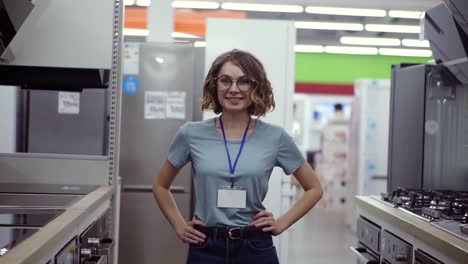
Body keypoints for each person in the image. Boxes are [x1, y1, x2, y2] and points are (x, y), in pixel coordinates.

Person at [153, 49, 323, 264]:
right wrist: (179, 226)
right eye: (225, 81)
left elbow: (314, 188)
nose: (234, 89)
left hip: (255, 246)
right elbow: (160, 185)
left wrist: (281, 223)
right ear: (214, 85)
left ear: (256, 87)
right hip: (206, 246)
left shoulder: (275, 137)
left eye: (244, 82)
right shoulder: (190, 134)